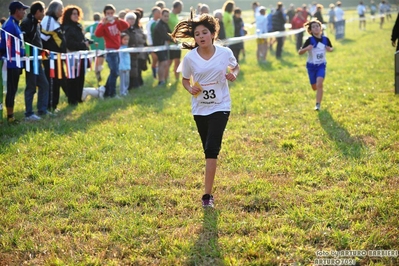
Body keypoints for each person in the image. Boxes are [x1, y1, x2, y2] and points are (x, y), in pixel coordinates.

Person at [171, 13, 240, 208]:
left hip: (221, 105)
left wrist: (232, 74)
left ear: (212, 34)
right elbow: (185, 80)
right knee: (206, 149)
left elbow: (235, 67)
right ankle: (208, 190)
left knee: (212, 149)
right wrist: (189, 88)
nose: (201, 37)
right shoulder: (190, 58)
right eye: (197, 34)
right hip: (200, 109)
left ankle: (207, 196)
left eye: (204, 33)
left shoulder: (225, 52)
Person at [0, 1, 29, 124]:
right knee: (11, 90)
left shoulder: (16, 24)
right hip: (11, 63)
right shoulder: (9, 25)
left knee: (14, 89)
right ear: (17, 11)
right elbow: (3, 46)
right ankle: (10, 117)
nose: (24, 12)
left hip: (17, 62)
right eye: (23, 9)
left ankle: (10, 115)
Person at [20, 1, 50, 121]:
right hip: (31, 59)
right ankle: (29, 113)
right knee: (31, 86)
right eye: (43, 12)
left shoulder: (37, 23)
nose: (44, 14)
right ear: (38, 12)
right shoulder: (27, 23)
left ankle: (42, 110)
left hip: (38, 59)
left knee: (44, 84)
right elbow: (24, 41)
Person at [95, 4, 129, 98]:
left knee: (114, 72)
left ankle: (106, 90)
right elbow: (97, 34)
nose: (110, 15)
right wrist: (103, 24)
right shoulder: (103, 24)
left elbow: (126, 26)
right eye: (107, 13)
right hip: (110, 51)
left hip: (117, 50)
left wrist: (118, 19)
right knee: (115, 71)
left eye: (111, 13)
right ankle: (112, 93)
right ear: (104, 14)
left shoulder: (116, 22)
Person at [298, 19, 333, 111]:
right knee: (314, 87)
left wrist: (329, 49)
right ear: (311, 30)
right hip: (311, 66)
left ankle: (318, 104)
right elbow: (300, 52)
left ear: (320, 28)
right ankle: (316, 90)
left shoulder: (326, 39)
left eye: (317, 26)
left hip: (321, 65)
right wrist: (306, 49)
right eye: (313, 27)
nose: (316, 28)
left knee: (319, 84)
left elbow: (331, 48)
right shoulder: (309, 40)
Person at [41, 0, 67, 112]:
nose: (62, 11)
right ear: (55, 9)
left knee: (58, 79)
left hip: (58, 57)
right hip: (50, 57)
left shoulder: (55, 21)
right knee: (52, 80)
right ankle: (50, 105)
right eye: (61, 9)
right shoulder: (48, 19)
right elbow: (43, 39)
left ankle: (54, 105)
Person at [61, 5, 89, 106]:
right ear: (68, 15)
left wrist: (86, 42)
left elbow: (80, 39)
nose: (76, 15)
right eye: (73, 14)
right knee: (72, 78)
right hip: (71, 56)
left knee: (80, 77)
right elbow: (69, 44)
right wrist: (83, 44)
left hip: (80, 55)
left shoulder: (77, 26)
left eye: (77, 13)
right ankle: (72, 99)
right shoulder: (67, 28)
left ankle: (78, 98)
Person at [124, 11, 147, 89]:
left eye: (133, 19)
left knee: (135, 68)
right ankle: (129, 86)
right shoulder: (125, 29)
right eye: (130, 19)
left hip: (136, 52)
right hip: (127, 51)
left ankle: (135, 84)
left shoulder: (134, 28)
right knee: (129, 69)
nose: (132, 21)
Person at [153, 8, 173, 86]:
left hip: (164, 47)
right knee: (162, 63)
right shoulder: (159, 25)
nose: (166, 18)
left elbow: (170, 33)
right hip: (158, 47)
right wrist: (174, 40)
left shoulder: (165, 24)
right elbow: (165, 36)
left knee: (164, 63)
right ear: (161, 16)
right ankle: (161, 81)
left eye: (168, 16)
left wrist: (174, 37)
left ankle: (163, 79)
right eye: (165, 16)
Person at [85, 12, 105, 83]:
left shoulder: (90, 26)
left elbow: (83, 33)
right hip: (102, 46)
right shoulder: (101, 25)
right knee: (100, 62)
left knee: (96, 61)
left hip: (93, 46)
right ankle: (98, 73)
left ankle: (97, 73)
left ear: (93, 18)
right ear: (100, 18)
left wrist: (87, 41)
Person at [168, 0, 183, 81]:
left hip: (177, 43)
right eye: (181, 8)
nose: (181, 10)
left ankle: (177, 79)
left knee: (177, 61)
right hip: (170, 43)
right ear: (177, 7)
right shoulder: (169, 15)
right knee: (169, 62)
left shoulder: (177, 16)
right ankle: (166, 78)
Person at [146, 6, 161, 78]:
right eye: (158, 12)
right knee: (155, 59)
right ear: (154, 13)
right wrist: (150, 44)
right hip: (153, 45)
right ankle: (154, 74)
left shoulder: (159, 22)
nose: (160, 13)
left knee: (159, 59)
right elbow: (148, 34)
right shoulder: (150, 23)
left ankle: (159, 73)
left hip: (160, 44)